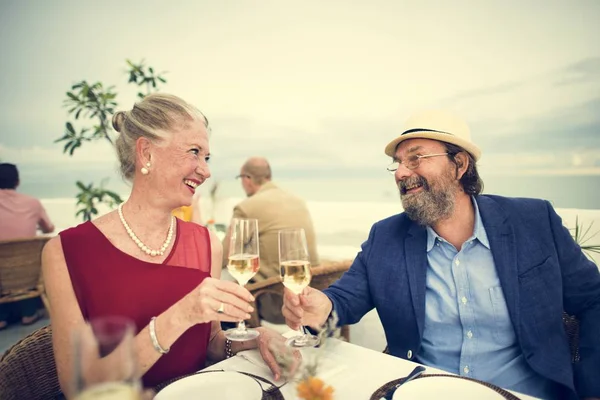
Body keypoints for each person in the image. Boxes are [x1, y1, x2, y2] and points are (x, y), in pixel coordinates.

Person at [282, 110, 600, 400]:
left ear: (459, 165)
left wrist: (591, 388)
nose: (400, 173)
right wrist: (321, 306)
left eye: (416, 159)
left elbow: (592, 300)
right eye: (398, 163)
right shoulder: (386, 237)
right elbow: (344, 298)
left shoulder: (532, 220)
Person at [42, 94, 295, 396]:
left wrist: (257, 337)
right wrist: (180, 315)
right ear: (146, 153)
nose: (206, 170)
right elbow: (77, 387)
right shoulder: (66, 252)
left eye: (207, 157)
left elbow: (211, 345)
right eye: (194, 152)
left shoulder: (205, 243)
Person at [223, 157, 319, 324]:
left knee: (221, 301)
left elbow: (225, 255)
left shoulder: (247, 207)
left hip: (275, 302)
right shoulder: (298, 201)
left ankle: (233, 346)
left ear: (247, 179)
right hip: (312, 294)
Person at [0, 163, 54, 329]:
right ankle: (29, 313)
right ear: (17, 181)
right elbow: (49, 228)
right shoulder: (32, 203)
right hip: (26, 273)